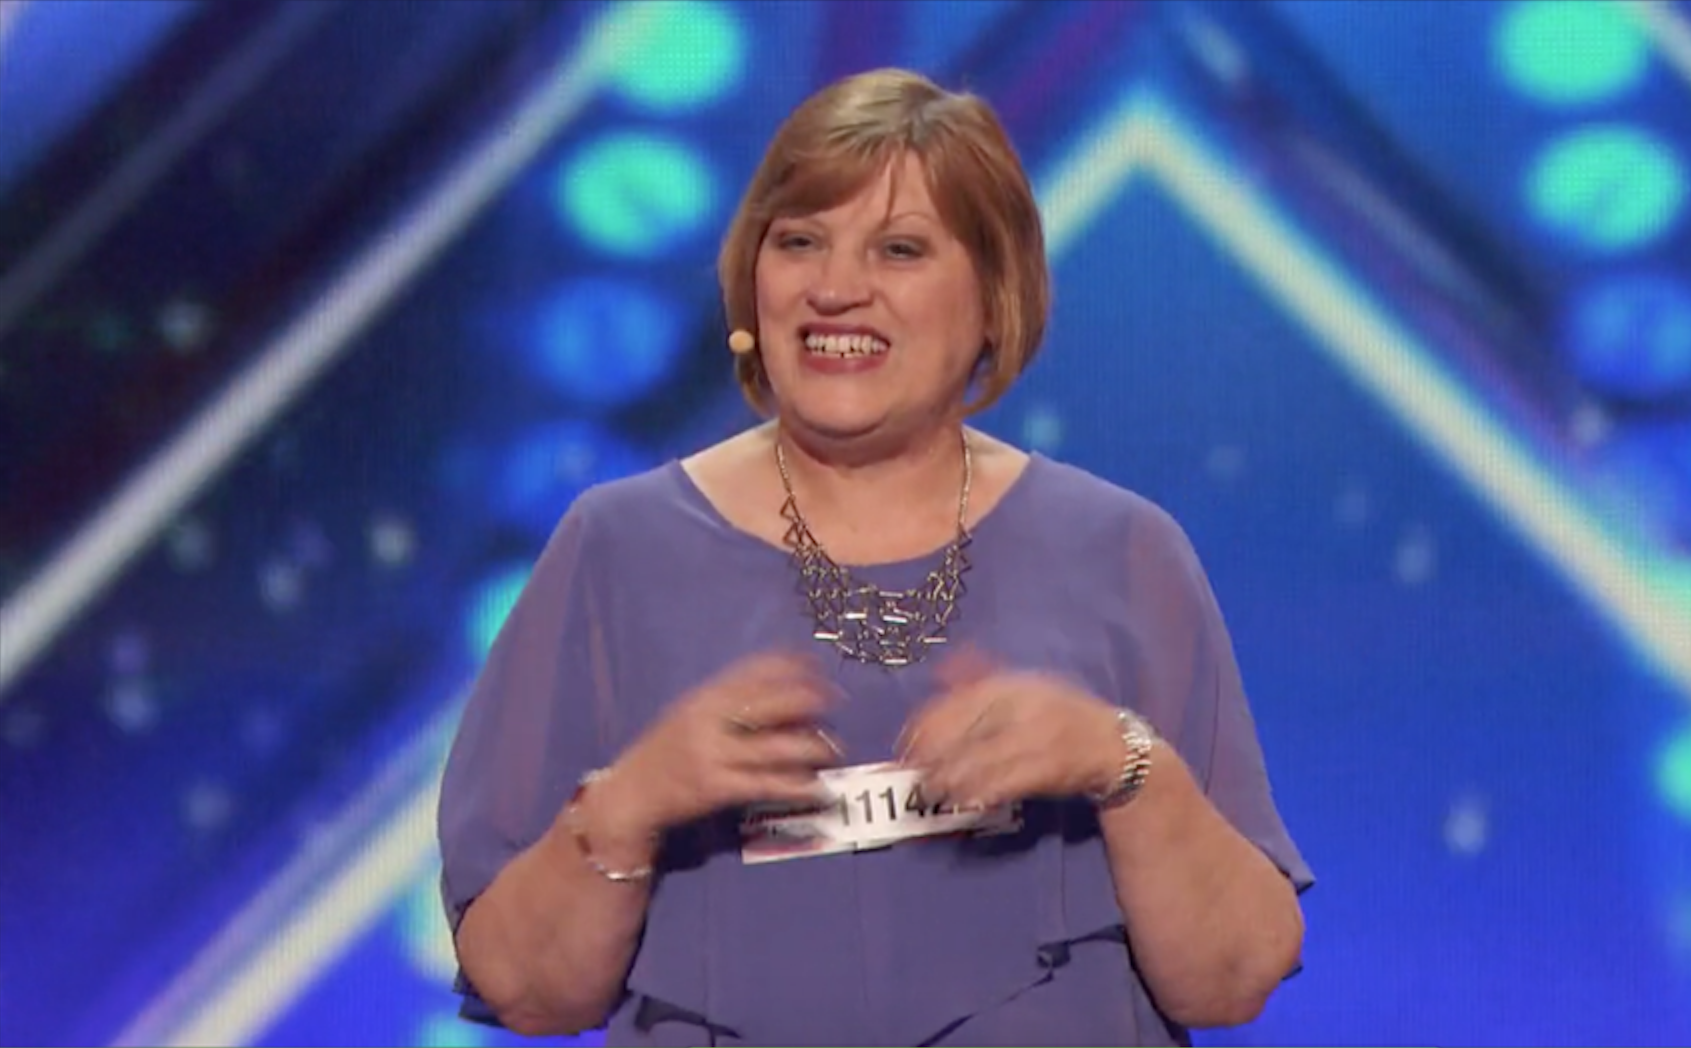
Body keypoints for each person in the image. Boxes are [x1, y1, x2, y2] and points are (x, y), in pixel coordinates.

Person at [437, 67, 1313, 1046]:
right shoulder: (617, 551)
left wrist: (1119, 761)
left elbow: (1233, 978)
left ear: (994, 297)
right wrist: (631, 803)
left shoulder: (1123, 551)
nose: (834, 288)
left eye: (899, 249)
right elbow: (525, 989)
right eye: (799, 242)